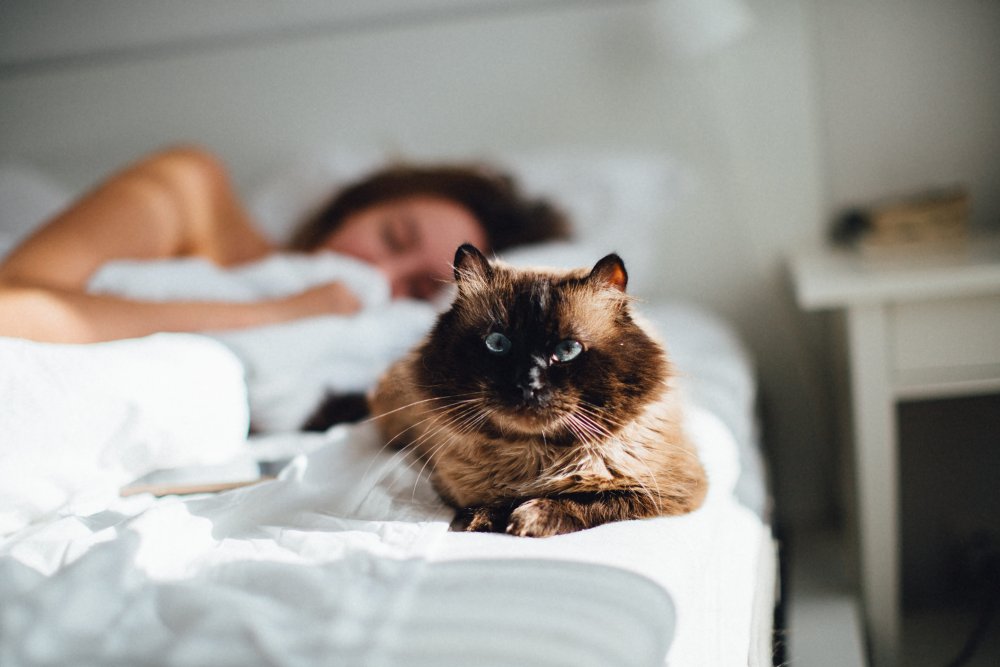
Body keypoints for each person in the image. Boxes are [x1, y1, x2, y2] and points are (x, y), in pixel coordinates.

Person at [0, 146, 569, 344]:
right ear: (355, 205)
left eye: (420, 287)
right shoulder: (190, 190)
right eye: (392, 236)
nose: (380, 271)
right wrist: (280, 313)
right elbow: (11, 306)